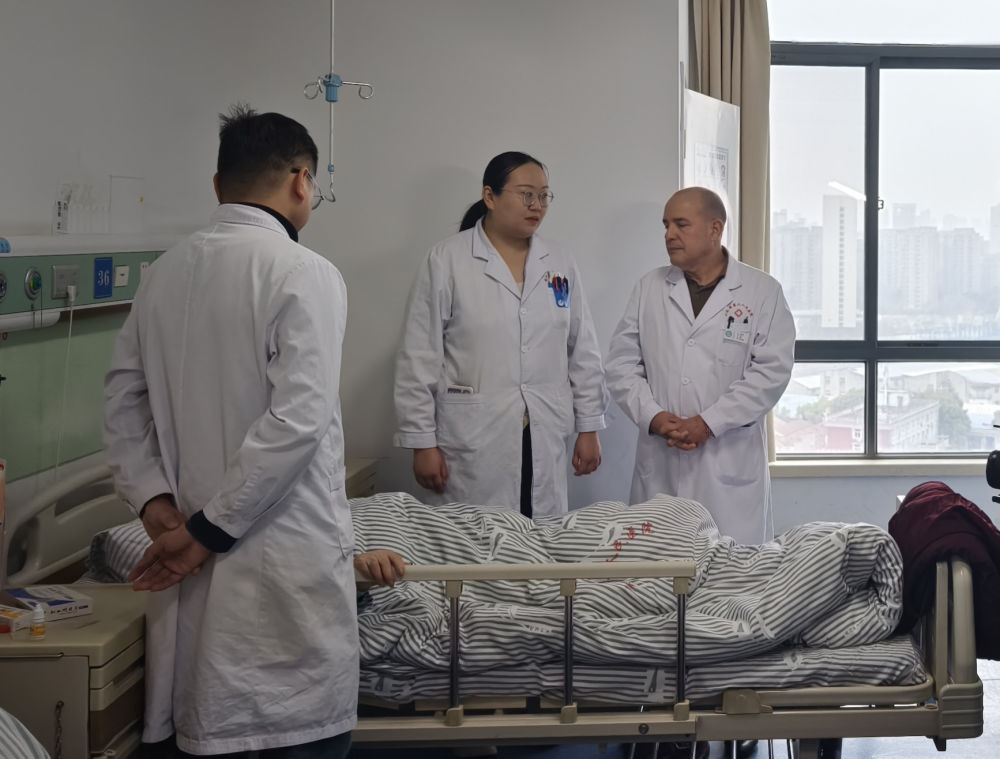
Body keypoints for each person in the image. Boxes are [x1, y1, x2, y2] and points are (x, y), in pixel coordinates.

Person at [104, 105, 356, 758]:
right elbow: (298, 421)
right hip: (278, 564)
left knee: (206, 720)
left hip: (182, 542)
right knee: (289, 729)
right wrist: (205, 533)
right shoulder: (304, 272)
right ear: (301, 181)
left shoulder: (162, 273)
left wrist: (156, 506)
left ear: (218, 185)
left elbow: (123, 404)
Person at [394, 151, 608, 518]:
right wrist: (421, 442)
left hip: (543, 428)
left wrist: (589, 427)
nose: (536, 205)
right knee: (474, 537)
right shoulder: (447, 260)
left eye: (543, 195)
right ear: (490, 197)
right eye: (526, 194)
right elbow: (419, 356)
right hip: (473, 435)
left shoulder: (559, 262)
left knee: (540, 535)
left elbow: (582, 349)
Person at [606, 186, 795, 546]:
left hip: (728, 466)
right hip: (661, 464)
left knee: (731, 571)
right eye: (666, 225)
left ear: (715, 229)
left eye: (681, 224)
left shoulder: (762, 292)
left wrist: (709, 423)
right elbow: (621, 364)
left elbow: (771, 373)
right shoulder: (649, 288)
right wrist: (653, 416)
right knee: (659, 568)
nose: (669, 235)